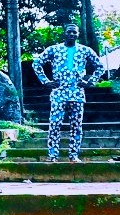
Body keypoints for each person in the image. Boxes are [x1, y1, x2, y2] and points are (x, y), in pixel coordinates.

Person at [32, 23, 105, 163]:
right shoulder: (54, 49)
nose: (71, 34)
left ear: (78, 34)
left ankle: (74, 155)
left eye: (74, 32)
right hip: (58, 93)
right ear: (64, 33)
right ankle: (53, 155)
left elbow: (100, 66)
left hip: (77, 94)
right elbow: (37, 63)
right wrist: (45, 81)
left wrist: (90, 82)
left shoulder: (85, 50)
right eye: (69, 32)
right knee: (54, 124)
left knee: (76, 126)